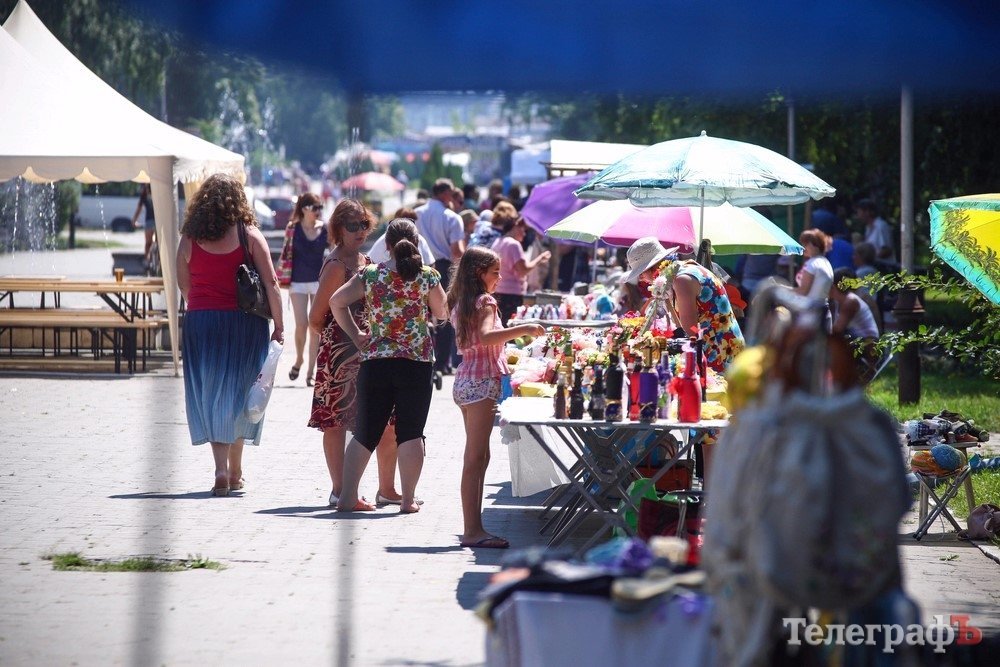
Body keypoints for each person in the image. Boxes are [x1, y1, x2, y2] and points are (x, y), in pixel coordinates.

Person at [330, 219, 448, 513]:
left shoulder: (371, 274)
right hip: (416, 363)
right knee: (411, 432)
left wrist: (358, 335)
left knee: (366, 432)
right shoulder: (428, 276)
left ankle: (346, 498)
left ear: (387, 246)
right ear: (417, 244)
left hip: (376, 361)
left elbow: (336, 301)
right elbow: (442, 312)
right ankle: (407, 501)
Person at [176, 173, 283, 497]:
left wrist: (205, 306)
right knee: (240, 394)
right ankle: (234, 471)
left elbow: (185, 286)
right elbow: (272, 284)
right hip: (243, 323)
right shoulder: (249, 235)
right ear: (239, 200)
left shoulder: (189, 238)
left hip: (201, 322)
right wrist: (280, 327)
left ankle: (223, 469)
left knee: (212, 395)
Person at [308, 200, 406, 507]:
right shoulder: (337, 265)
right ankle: (340, 490)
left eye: (364, 224)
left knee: (385, 420)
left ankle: (386, 489)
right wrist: (338, 342)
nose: (360, 231)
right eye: (352, 225)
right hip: (339, 352)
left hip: (367, 352)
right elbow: (315, 316)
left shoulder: (364, 260)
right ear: (337, 228)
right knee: (336, 421)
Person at [448, 247, 545, 549]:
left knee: (479, 457)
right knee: (475, 458)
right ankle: (472, 531)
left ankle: (474, 528)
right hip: (480, 383)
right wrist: (524, 329)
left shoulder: (461, 301)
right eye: (494, 272)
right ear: (479, 273)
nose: (499, 278)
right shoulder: (485, 301)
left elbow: (476, 341)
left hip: (466, 381)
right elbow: (488, 337)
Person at [276, 193, 328, 385]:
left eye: (320, 207)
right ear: (305, 208)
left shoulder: (325, 229)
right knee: (301, 324)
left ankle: (310, 372)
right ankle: (299, 359)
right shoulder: (292, 228)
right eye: (315, 207)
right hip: (297, 281)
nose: (318, 211)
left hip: (318, 282)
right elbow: (285, 254)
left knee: (315, 327)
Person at [416, 178, 466, 375]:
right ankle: (442, 362)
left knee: (420, 313)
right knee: (444, 315)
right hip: (443, 268)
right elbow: (456, 251)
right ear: (445, 194)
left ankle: (423, 357)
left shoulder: (417, 214)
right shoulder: (451, 217)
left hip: (416, 267)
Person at [491, 215, 551, 325]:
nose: (524, 234)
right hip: (511, 295)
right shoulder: (514, 244)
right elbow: (523, 270)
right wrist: (540, 258)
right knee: (509, 328)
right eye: (523, 230)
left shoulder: (497, 242)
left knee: (499, 326)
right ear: (515, 227)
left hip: (497, 291)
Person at [366, 207, 435, 264]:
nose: (407, 222)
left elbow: (430, 262)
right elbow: (371, 259)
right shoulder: (386, 238)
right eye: (404, 218)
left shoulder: (419, 238)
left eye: (412, 219)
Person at [855, 198, 896, 262]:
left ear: (867, 212)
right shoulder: (868, 228)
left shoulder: (881, 226)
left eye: (859, 212)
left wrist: (871, 259)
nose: (858, 215)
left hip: (884, 267)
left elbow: (887, 249)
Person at [131, 183, 156, 269]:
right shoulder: (144, 194)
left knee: (153, 243)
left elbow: (139, 208)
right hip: (150, 221)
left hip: (156, 221)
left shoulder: (156, 191)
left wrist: (134, 220)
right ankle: (147, 259)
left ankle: (151, 260)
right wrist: (134, 220)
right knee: (148, 242)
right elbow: (139, 208)